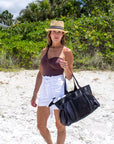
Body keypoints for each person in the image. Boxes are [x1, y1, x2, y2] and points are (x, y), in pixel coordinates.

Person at [31, 20, 73, 144]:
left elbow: (70, 76)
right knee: (40, 126)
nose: (56, 34)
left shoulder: (67, 51)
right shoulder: (44, 51)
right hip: (45, 88)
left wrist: (65, 67)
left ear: (62, 35)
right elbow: (40, 73)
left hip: (58, 88)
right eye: (54, 31)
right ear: (49, 34)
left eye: (59, 32)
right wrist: (34, 95)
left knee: (60, 125)